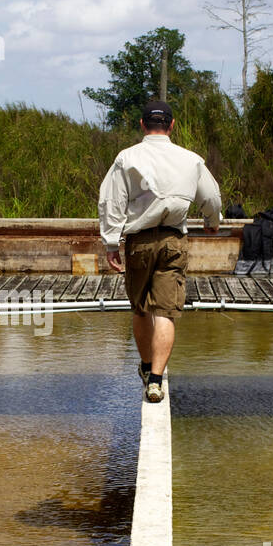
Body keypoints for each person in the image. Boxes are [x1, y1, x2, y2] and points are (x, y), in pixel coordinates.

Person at [98, 99, 222, 403]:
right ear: (172, 125)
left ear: (142, 125)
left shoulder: (127, 158)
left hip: (139, 242)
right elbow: (212, 198)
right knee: (165, 311)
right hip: (173, 242)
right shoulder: (190, 159)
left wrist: (112, 242)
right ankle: (156, 380)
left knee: (140, 308)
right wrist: (212, 222)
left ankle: (144, 366)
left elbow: (111, 202)